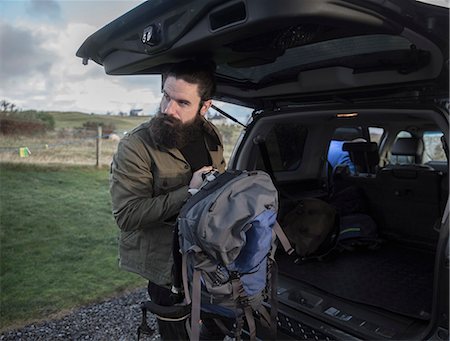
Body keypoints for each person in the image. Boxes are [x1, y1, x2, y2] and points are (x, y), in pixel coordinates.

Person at [109, 60, 226, 339]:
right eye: (166, 95)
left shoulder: (212, 135)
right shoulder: (136, 145)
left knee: (215, 328)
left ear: (205, 106)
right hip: (168, 267)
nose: (167, 109)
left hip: (209, 259)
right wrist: (189, 192)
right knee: (176, 332)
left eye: (182, 103)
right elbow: (126, 216)